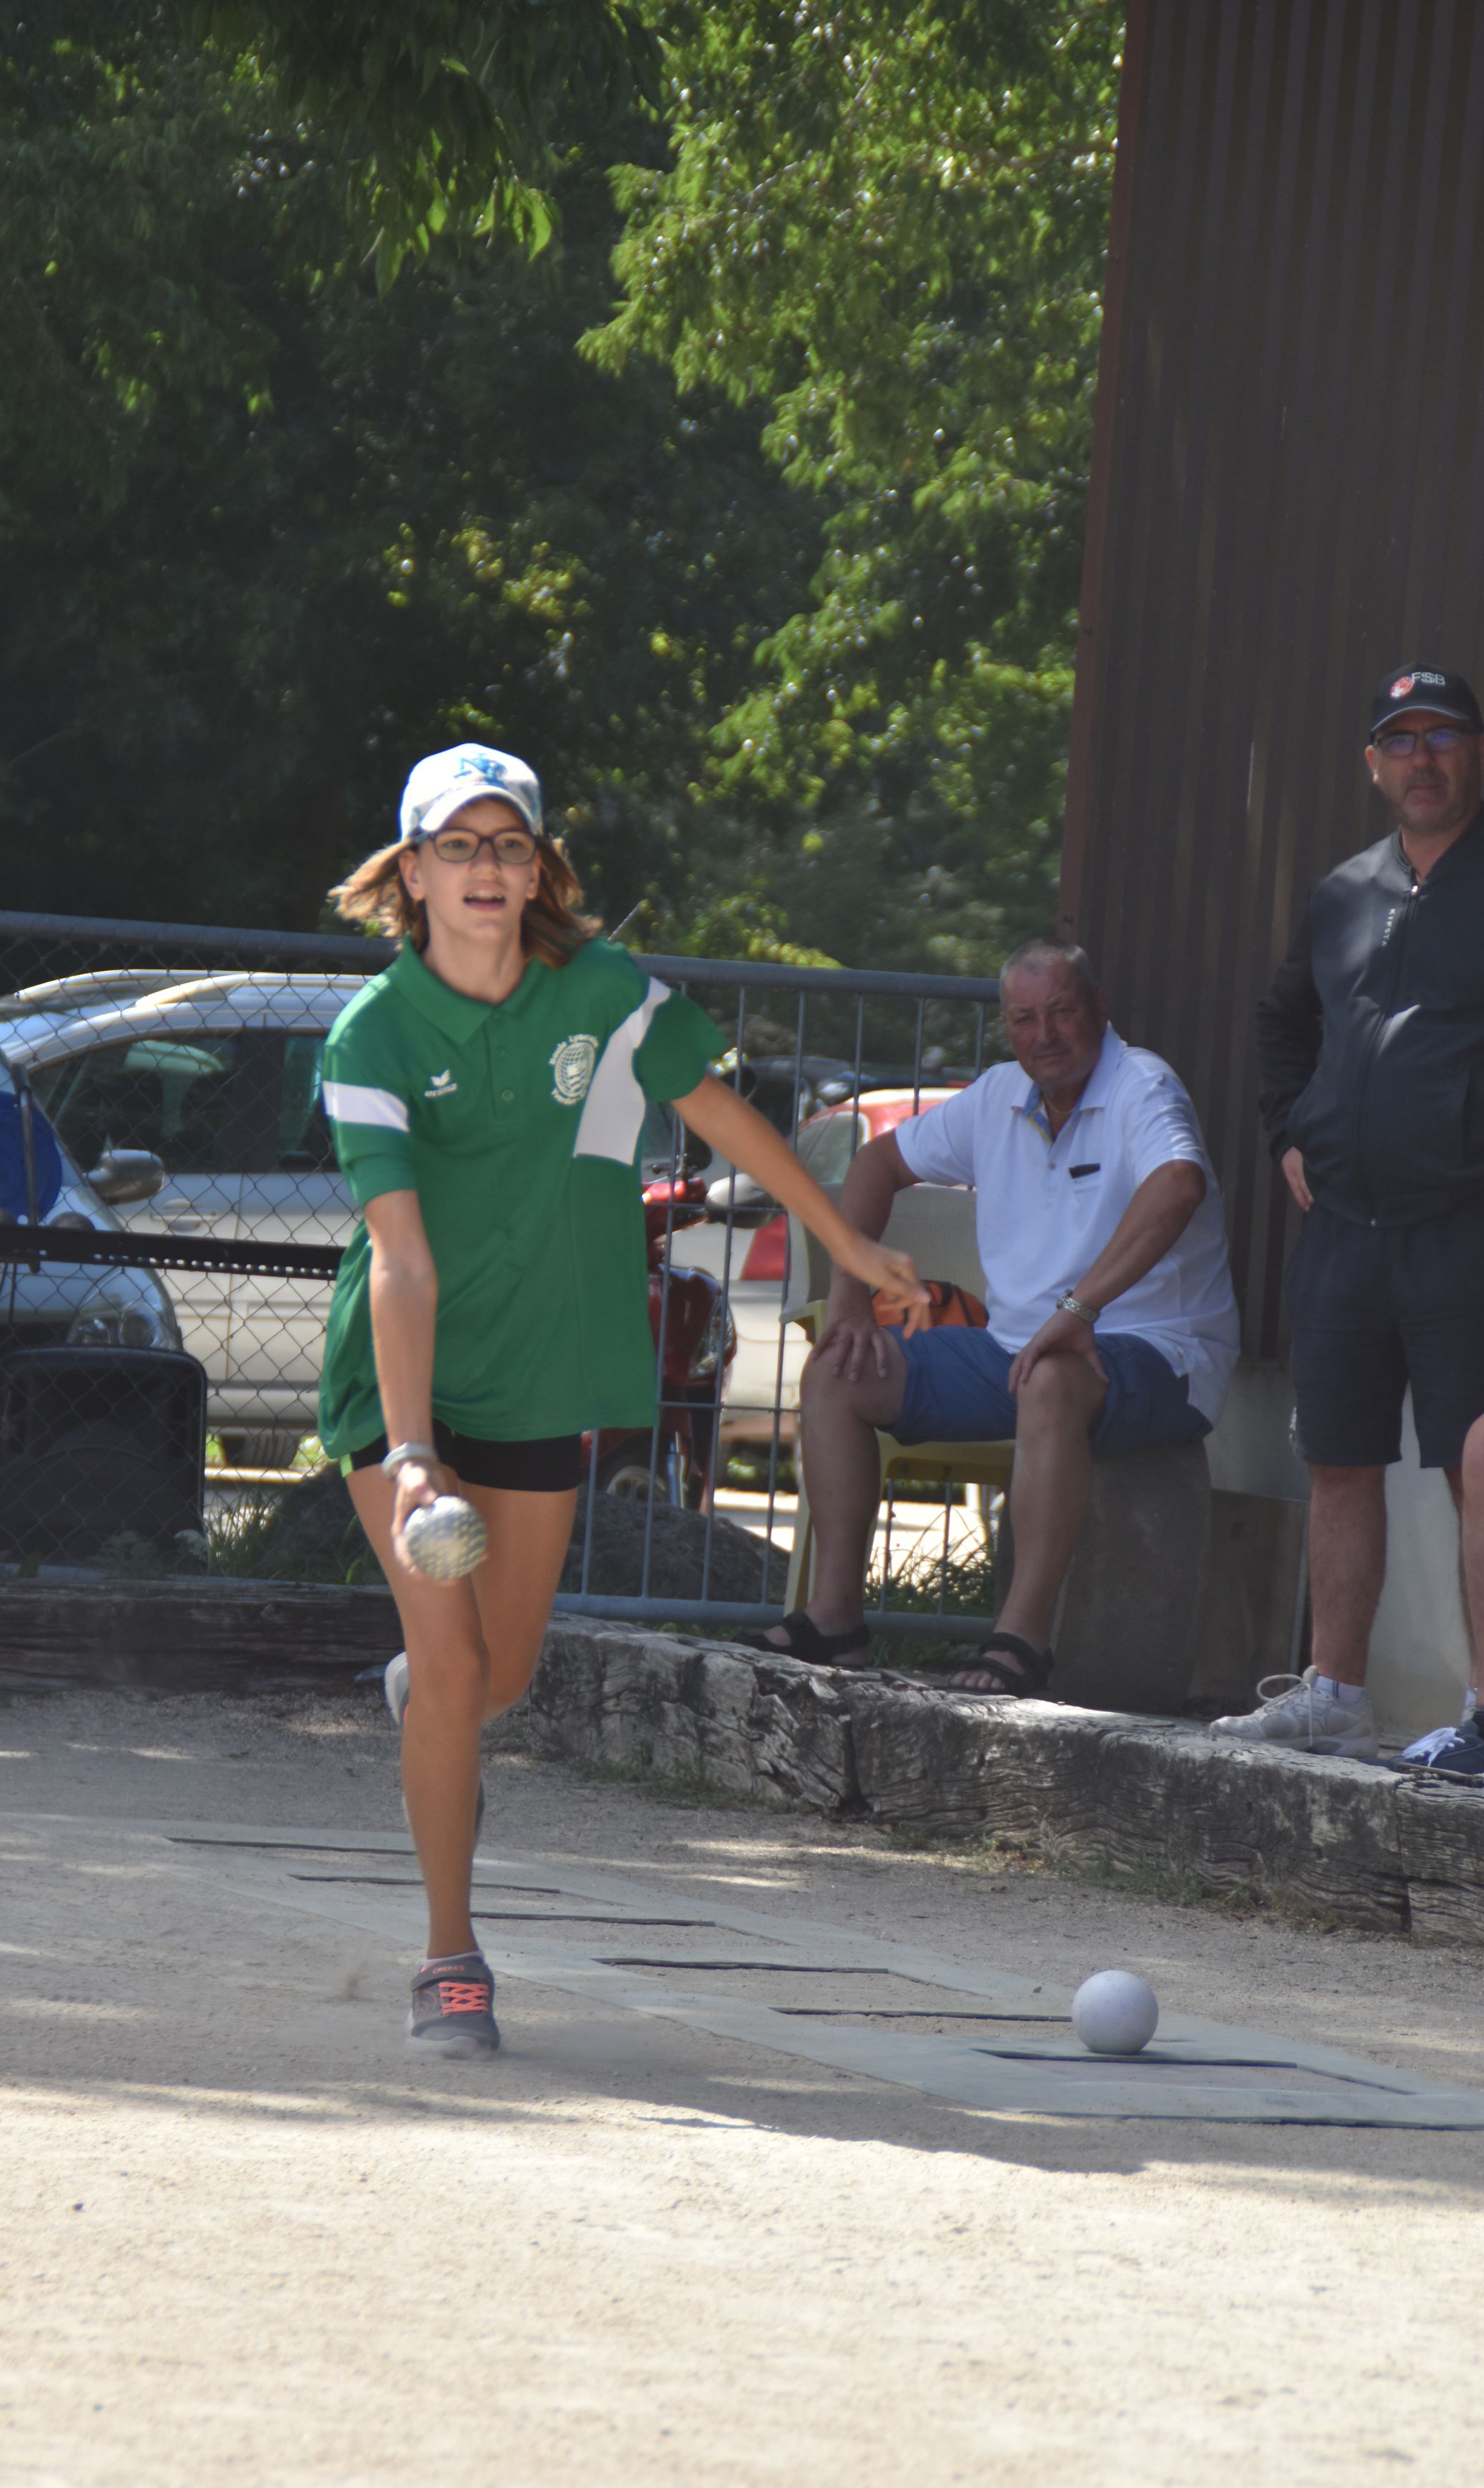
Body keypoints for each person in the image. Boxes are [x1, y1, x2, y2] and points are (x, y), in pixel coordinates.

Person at [317, 743, 929, 2059]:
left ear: (537, 868)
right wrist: (413, 1451)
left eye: (508, 844)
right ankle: (449, 1959)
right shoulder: (371, 1034)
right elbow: (401, 1260)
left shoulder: (603, 995)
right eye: (457, 846)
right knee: (455, 1665)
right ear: (411, 873)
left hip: (544, 1364)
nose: (484, 868)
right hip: (401, 1376)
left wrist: (848, 1244)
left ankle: (432, 1705)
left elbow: (726, 1118)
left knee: (501, 1674)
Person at [743, 939, 1239, 1691]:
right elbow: (878, 1163)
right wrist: (850, 1296)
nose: (1045, 1035)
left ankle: (1020, 1642)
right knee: (836, 1371)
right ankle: (835, 1619)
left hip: (1160, 1352)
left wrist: (1080, 1308)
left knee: (1049, 1376)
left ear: (1100, 1010)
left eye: (1062, 1012)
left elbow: (1178, 1185)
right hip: (1015, 1349)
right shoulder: (999, 1094)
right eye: (1024, 1019)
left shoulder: (1142, 1083)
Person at [1224, 665, 1484, 1764]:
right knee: (1338, 1458)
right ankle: (1335, 1694)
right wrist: (1290, 1133)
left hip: (1461, 1225)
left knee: (1477, 1460)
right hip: (1344, 1230)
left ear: (1474, 754)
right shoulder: (1343, 892)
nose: (1423, 759)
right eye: (1401, 740)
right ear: (1373, 763)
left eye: (1443, 737)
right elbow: (1281, 1023)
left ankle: (1482, 1716)